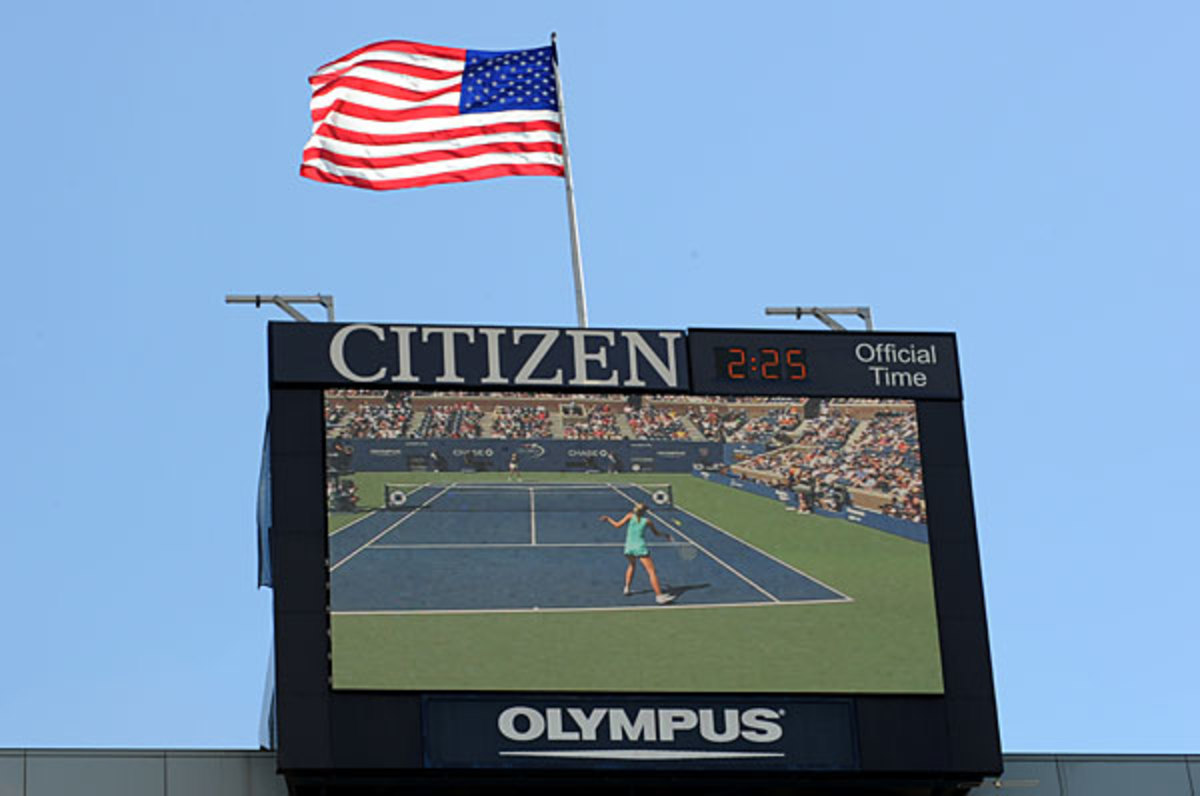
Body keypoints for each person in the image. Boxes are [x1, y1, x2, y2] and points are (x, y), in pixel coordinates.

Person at [599, 503, 676, 604]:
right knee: (651, 572)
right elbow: (656, 534)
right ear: (644, 512)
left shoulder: (629, 516)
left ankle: (627, 588)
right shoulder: (647, 521)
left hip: (629, 547)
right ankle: (659, 596)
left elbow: (617, 525)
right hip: (640, 548)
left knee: (631, 565)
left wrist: (608, 519)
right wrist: (666, 535)